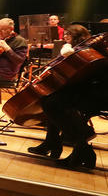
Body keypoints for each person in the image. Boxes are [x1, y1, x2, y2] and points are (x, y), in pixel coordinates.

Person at [27, 28, 105, 169]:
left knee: (53, 103)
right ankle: (53, 142)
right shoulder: (96, 43)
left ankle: (82, 143)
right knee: (49, 97)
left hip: (100, 93)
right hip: (90, 87)